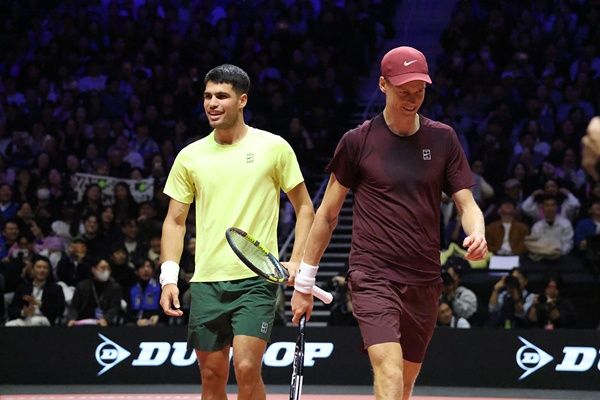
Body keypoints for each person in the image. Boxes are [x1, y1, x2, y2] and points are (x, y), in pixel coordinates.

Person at [291, 46, 487, 400]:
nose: (412, 100)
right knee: (390, 373)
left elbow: (466, 203)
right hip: (373, 276)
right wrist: (305, 282)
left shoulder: (443, 138)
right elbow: (328, 214)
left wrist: (477, 233)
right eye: (403, 92)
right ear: (383, 85)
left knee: (405, 385)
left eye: (419, 91)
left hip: (424, 279)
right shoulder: (357, 142)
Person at [158, 64, 314, 400]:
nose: (212, 103)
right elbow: (174, 221)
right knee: (212, 376)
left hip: (256, 280)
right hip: (207, 281)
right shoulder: (190, 157)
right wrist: (168, 278)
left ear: (242, 100)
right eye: (207, 96)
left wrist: (296, 260)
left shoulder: (274, 148)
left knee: (246, 367)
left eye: (221, 96)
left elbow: (305, 208)